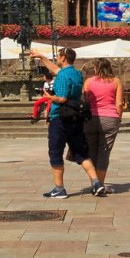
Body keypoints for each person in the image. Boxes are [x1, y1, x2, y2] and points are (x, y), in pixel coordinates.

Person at [38, 47, 101, 199]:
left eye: (58, 56)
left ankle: (59, 189)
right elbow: (56, 70)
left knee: (55, 152)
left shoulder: (62, 77)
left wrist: (48, 96)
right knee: (80, 151)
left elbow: (62, 98)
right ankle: (96, 182)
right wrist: (41, 57)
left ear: (63, 58)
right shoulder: (76, 73)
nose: (56, 59)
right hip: (75, 117)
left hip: (60, 117)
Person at [83, 58, 124, 196]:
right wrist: (119, 118)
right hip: (110, 119)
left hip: (90, 119)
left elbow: (84, 101)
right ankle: (100, 185)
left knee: (92, 151)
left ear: (96, 68)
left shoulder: (88, 82)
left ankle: (94, 184)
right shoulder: (116, 81)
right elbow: (119, 104)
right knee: (104, 153)